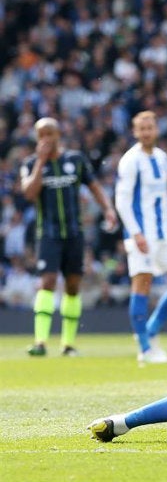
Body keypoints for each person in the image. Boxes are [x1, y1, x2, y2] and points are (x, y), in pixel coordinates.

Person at [20, 117, 117, 357]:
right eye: (41, 135)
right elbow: (29, 193)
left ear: (57, 135)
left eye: (49, 134)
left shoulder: (76, 160)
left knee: (73, 286)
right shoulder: (31, 163)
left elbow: (94, 186)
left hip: (74, 233)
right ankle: (40, 342)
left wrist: (108, 208)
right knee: (48, 281)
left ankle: (68, 344)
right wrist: (41, 162)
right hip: (48, 234)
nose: (45, 139)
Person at [115, 111, 167, 364]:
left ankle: (149, 330)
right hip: (142, 235)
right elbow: (122, 200)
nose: (147, 132)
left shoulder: (161, 158)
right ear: (135, 132)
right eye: (142, 129)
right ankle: (145, 348)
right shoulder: (130, 160)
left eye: (150, 127)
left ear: (156, 130)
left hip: (164, 233)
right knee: (142, 286)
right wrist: (135, 233)